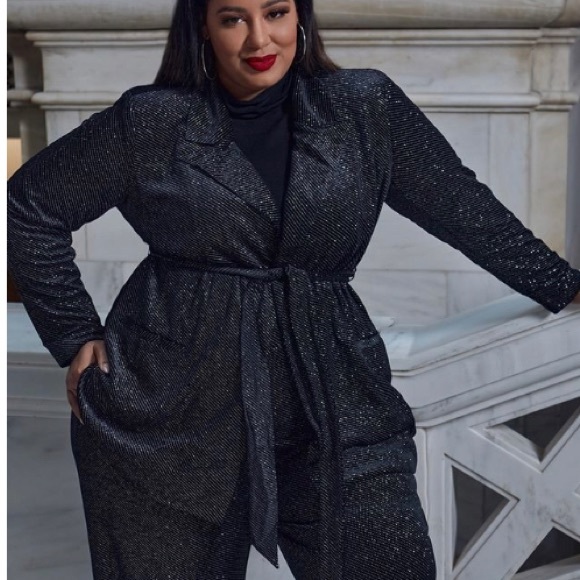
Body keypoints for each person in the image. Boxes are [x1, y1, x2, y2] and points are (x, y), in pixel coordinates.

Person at [7, 0, 580, 578]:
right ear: (202, 28)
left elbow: (465, 209)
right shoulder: (152, 121)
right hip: (168, 411)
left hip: (336, 397)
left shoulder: (364, 107)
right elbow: (28, 206)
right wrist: (74, 332)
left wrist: (564, 284)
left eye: (275, 12)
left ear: (299, 17)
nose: (259, 38)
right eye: (233, 19)